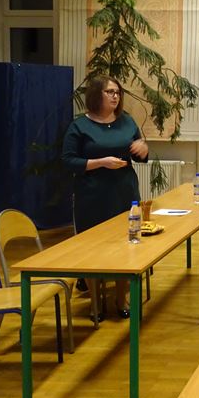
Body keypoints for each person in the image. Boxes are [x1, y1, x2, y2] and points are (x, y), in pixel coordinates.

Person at [61, 75, 149, 319]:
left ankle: (121, 299)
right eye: (110, 92)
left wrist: (143, 149)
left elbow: (139, 153)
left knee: (125, 246)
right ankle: (95, 304)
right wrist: (100, 162)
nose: (115, 96)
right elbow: (68, 161)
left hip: (124, 192)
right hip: (92, 196)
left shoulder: (126, 121)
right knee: (93, 248)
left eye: (118, 92)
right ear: (95, 94)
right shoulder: (80, 126)